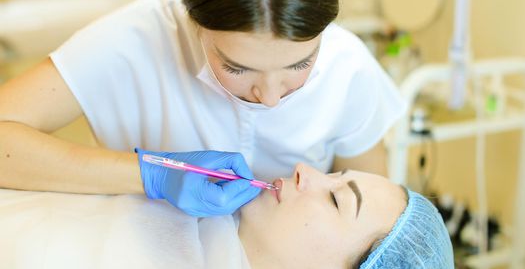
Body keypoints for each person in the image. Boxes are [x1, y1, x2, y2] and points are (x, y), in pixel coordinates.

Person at [0, 0, 406, 217]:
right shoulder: (139, 37)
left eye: (300, 63)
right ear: (192, 16)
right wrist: (150, 175)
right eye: (237, 67)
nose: (270, 97)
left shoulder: (348, 68)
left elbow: (373, 219)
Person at [0, 162, 453, 269]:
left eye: (337, 199)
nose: (304, 170)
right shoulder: (196, 213)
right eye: (335, 174)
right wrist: (145, 173)